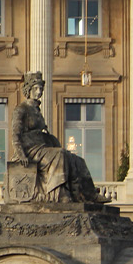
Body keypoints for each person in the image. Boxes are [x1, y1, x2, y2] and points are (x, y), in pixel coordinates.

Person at [12, 71, 99, 202]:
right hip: (31, 150)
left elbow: (45, 133)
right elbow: (15, 135)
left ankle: (87, 194)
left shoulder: (37, 110)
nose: (39, 91)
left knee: (77, 160)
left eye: (41, 88)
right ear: (28, 90)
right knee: (59, 155)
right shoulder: (21, 109)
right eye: (36, 88)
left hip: (42, 148)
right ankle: (59, 193)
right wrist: (21, 155)